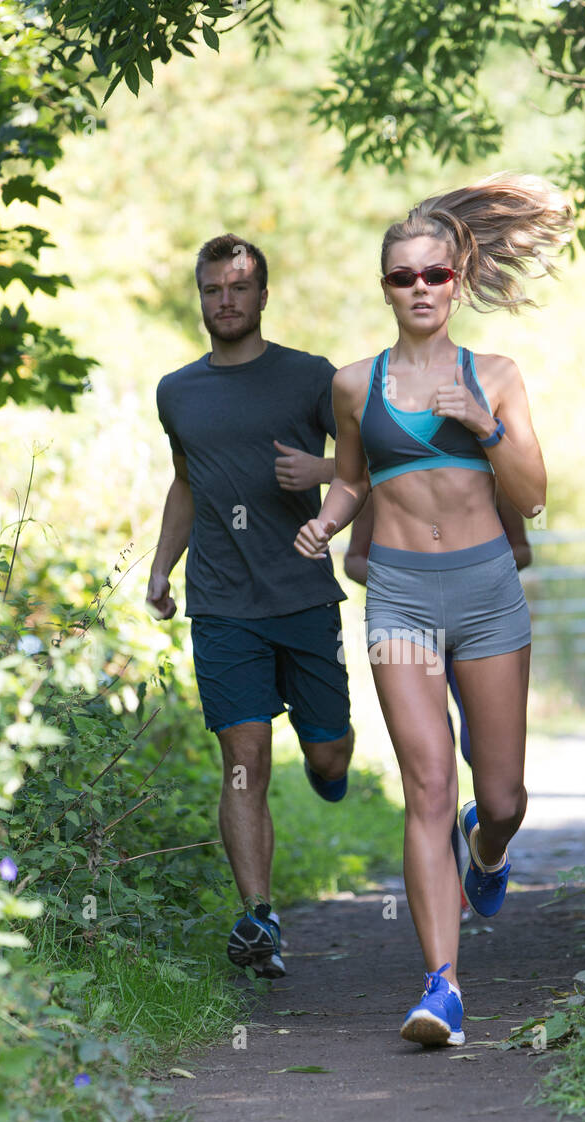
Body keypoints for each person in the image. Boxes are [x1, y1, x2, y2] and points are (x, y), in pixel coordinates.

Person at [295, 173, 572, 1047]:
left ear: (458, 278)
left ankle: (487, 853)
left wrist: (485, 426)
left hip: (489, 596)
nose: (419, 289)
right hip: (404, 600)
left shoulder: (495, 374)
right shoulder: (352, 384)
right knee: (427, 784)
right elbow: (351, 476)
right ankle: (441, 988)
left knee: (501, 796)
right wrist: (325, 523)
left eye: (433, 276)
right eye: (401, 277)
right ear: (386, 288)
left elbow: (529, 497)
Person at [148, 234, 355, 980]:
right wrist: (161, 570)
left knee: (327, 750)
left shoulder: (310, 378)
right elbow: (186, 483)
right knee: (243, 759)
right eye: (212, 290)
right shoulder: (178, 390)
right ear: (200, 297)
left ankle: (331, 767)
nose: (225, 301)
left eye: (238, 288)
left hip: (303, 595)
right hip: (223, 603)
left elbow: (372, 463)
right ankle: (259, 917)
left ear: (263, 295)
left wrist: (323, 468)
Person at [344, 488, 533, 923]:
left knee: (481, 760)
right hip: (408, 624)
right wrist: (405, 580)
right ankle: (450, 893)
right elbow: (354, 558)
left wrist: (467, 573)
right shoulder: (386, 475)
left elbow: (521, 548)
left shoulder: (487, 471)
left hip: (481, 626)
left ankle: (485, 846)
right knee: (432, 771)